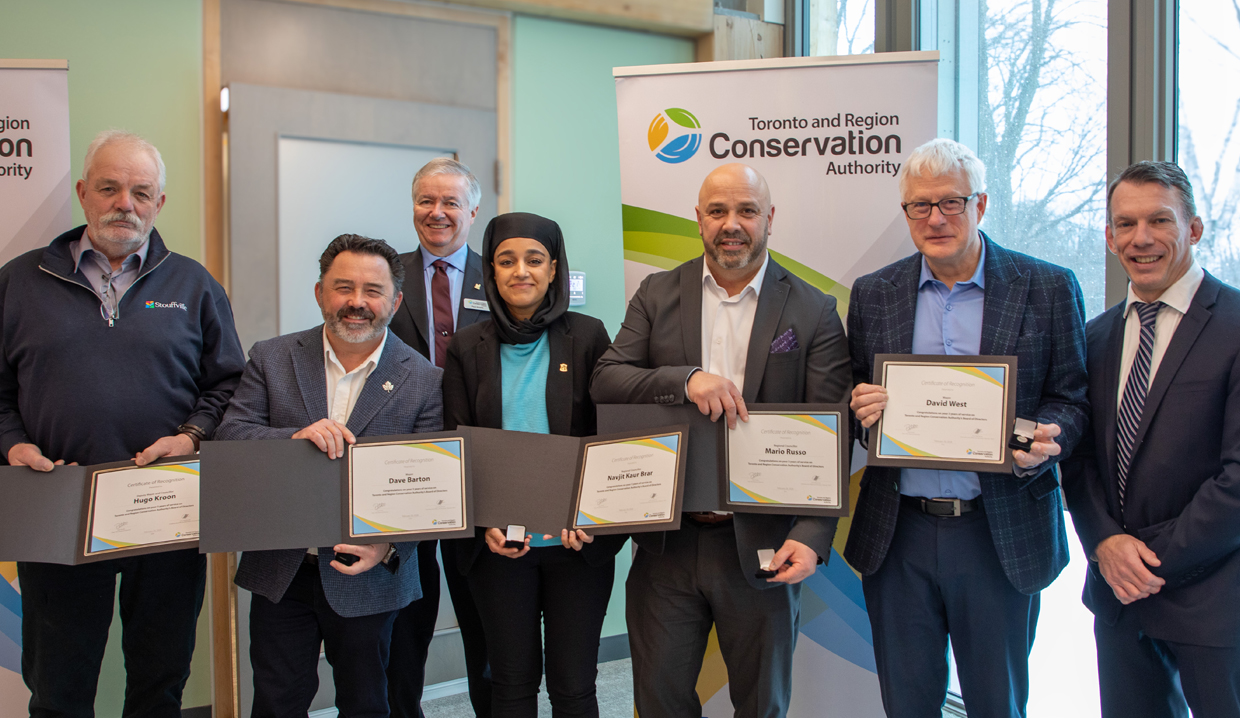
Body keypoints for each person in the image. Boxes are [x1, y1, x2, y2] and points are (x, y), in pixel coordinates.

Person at [589, 163, 850, 718]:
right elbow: (607, 378)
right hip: (668, 543)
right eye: (718, 211)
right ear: (699, 219)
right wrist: (685, 379)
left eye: (747, 211)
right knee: (660, 703)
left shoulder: (812, 309)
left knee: (761, 705)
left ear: (770, 219)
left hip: (765, 542)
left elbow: (833, 426)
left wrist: (811, 533)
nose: (732, 224)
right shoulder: (657, 293)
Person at [0, 130, 245, 716]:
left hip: (164, 503)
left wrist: (191, 436)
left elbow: (228, 385)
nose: (125, 204)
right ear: (84, 193)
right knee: (58, 684)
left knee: (160, 678)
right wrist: (12, 446)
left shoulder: (195, 286)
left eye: (141, 192)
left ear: (160, 203)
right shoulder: (19, 282)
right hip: (57, 500)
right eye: (109, 189)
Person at [845, 138, 1088, 717]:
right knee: (907, 703)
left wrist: (1049, 438)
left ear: (981, 204)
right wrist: (860, 408)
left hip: (997, 531)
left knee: (996, 704)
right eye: (919, 206)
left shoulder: (1047, 286)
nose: (935, 218)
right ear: (905, 213)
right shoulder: (874, 294)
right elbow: (851, 395)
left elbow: (1073, 398)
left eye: (951, 202)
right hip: (898, 533)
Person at [215, 234, 443, 717]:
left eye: (373, 290)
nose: (357, 302)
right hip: (282, 568)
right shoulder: (271, 357)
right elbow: (231, 434)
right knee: (277, 702)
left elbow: (431, 487)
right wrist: (292, 440)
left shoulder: (424, 378)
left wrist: (387, 546)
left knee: (366, 704)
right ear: (320, 292)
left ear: (395, 301)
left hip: (371, 574)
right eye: (343, 287)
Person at [1061, 161, 1240, 718]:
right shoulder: (1095, 336)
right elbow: (1080, 459)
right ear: (1110, 236)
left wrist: (1149, 562)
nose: (1141, 238)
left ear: (1193, 228)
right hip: (1119, 603)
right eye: (1125, 223)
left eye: (1159, 220)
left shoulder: (1236, 325)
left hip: (1215, 602)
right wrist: (1106, 545)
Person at [443, 211, 623, 717]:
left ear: (553, 269)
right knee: (511, 684)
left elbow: (607, 438)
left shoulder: (588, 337)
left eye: (534, 259)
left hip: (576, 546)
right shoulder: (465, 347)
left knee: (574, 686)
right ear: (490, 272)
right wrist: (483, 526)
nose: (520, 271)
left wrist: (593, 519)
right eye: (506, 260)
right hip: (500, 549)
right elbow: (457, 446)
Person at [386, 157, 493, 718]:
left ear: (473, 211)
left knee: (484, 622)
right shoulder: (387, 275)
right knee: (405, 621)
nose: (437, 212)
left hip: (478, 471)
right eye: (427, 201)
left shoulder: (498, 277)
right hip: (403, 467)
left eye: (451, 202)